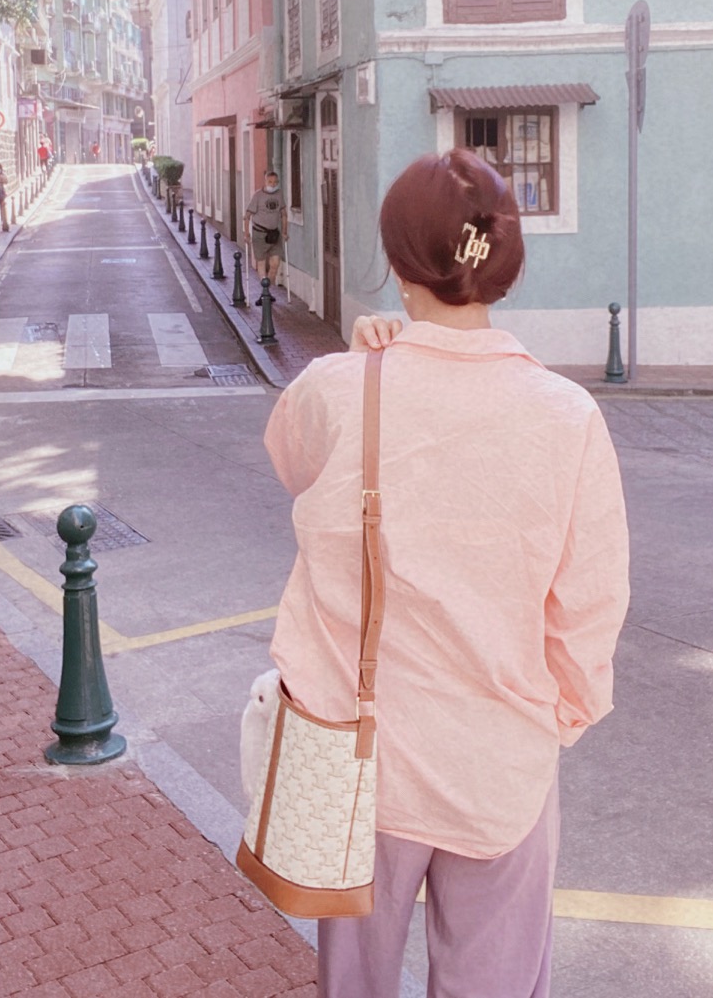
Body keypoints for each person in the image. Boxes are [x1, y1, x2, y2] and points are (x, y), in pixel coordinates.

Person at [262, 149, 630, 997]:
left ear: (397, 262)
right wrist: (553, 719)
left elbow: (290, 457)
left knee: (352, 983)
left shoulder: (337, 388)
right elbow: (590, 602)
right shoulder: (566, 414)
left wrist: (364, 358)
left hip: (354, 757)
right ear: (505, 265)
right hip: (499, 756)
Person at [243, 166, 284, 292]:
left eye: (275, 182)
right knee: (261, 263)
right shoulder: (258, 195)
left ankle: (268, 289)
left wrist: (285, 232)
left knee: (275, 263)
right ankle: (265, 292)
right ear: (265, 182)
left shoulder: (279, 194)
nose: (273, 184)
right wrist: (246, 234)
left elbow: (284, 214)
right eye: (270, 182)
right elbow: (247, 216)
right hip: (259, 234)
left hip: (274, 233)